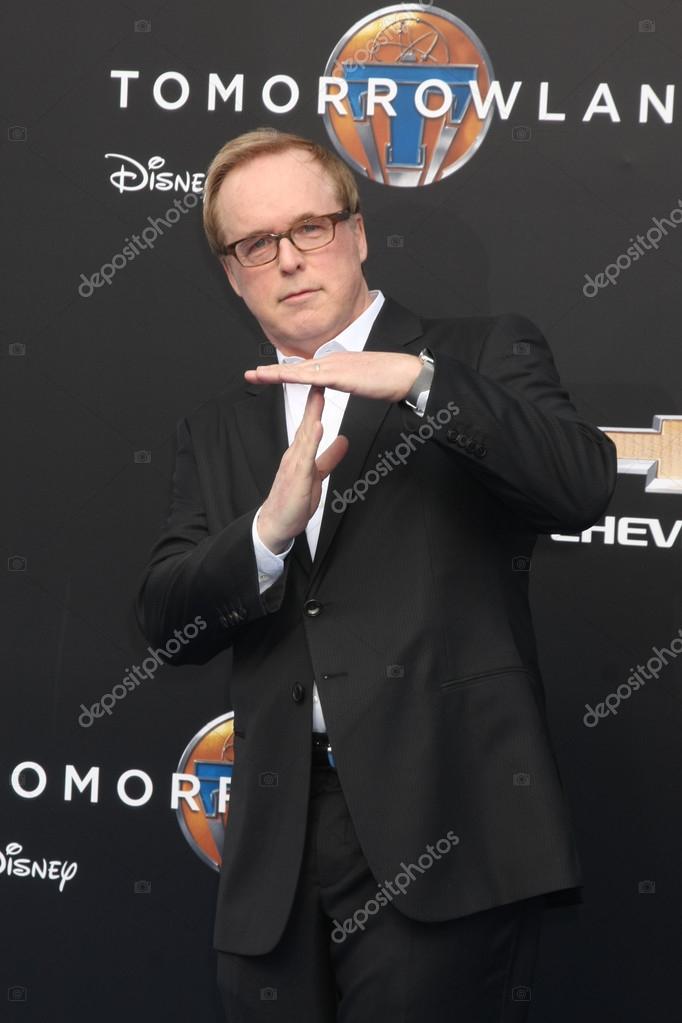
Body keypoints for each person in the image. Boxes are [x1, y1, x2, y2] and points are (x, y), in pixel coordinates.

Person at [135, 127, 617, 1022]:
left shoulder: (478, 354)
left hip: (445, 824)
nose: (287, 259)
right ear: (234, 274)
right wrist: (267, 533)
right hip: (274, 850)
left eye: (310, 227)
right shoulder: (219, 427)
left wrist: (423, 382)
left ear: (357, 232)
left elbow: (580, 483)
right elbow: (167, 623)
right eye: (256, 245)